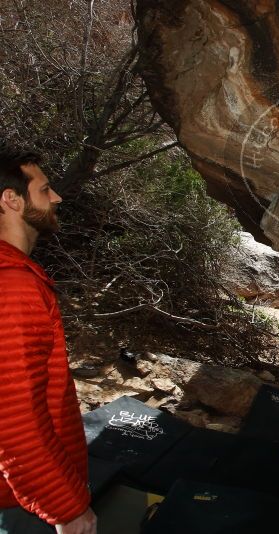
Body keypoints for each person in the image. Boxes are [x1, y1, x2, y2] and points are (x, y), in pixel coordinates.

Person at [0, 146, 97, 534]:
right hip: (25, 502)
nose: (56, 197)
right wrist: (68, 508)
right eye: (44, 190)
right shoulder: (13, 286)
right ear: (11, 200)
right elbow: (13, 422)